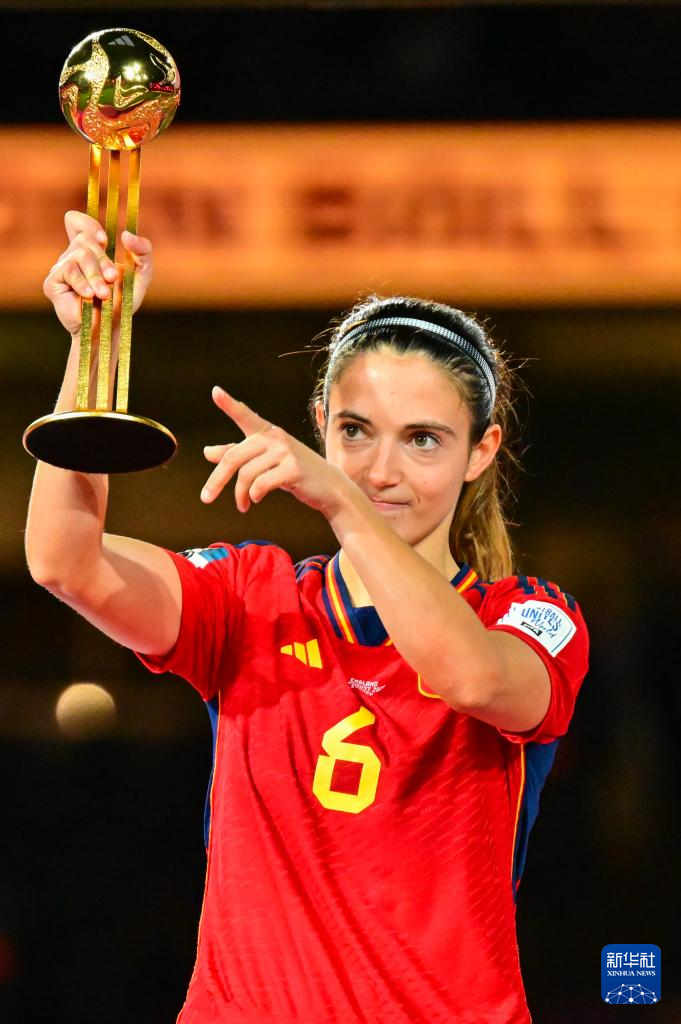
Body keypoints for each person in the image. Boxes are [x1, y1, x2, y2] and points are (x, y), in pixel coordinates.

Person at [27, 211, 589, 1024]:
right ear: (319, 421)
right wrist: (95, 348)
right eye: (354, 432)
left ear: (481, 449)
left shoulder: (533, 615)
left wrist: (340, 501)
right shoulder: (249, 597)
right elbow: (65, 561)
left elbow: (470, 677)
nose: (381, 471)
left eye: (423, 441)